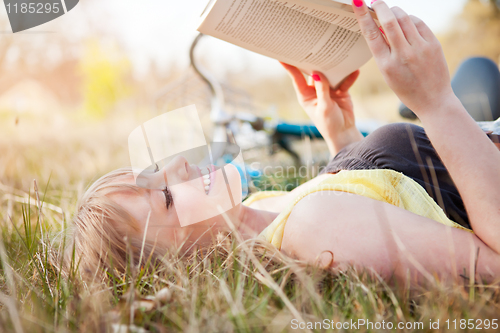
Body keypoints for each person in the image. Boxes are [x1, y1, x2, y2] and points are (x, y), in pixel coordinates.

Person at [67, 0, 500, 284]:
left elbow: (386, 202)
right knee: (478, 70)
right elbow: (493, 273)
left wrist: (340, 134)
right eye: (165, 196)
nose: (177, 167)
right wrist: (437, 102)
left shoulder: (260, 212)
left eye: (157, 169)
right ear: (182, 270)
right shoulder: (312, 230)